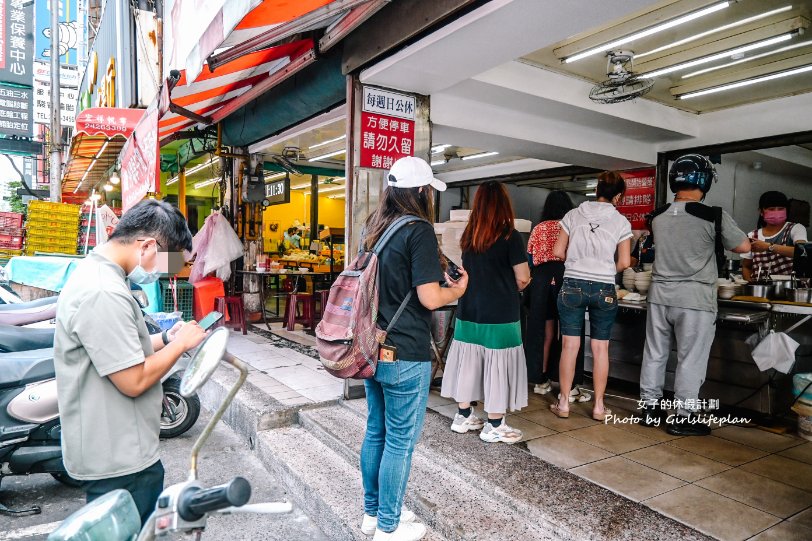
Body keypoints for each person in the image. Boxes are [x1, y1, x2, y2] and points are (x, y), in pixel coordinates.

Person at [53, 200, 207, 526]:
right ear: (148, 245)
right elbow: (133, 379)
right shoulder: (103, 291)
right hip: (119, 457)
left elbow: (120, 350)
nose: (166, 271)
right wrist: (180, 345)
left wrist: (165, 339)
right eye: (169, 261)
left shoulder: (101, 274)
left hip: (116, 447)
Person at [359, 157, 467, 541]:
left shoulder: (373, 227)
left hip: (372, 347)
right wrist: (457, 290)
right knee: (400, 441)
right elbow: (430, 298)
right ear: (422, 192)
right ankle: (389, 527)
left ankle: (373, 515)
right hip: (405, 351)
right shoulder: (418, 230)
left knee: (376, 432)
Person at [638, 155, 750, 436]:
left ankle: (650, 410)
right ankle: (683, 417)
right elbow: (743, 246)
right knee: (690, 359)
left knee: (654, 354)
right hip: (694, 299)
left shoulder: (658, 216)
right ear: (705, 180)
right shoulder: (713, 214)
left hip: (659, 295)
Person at [441, 181, 531, 444]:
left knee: (468, 362)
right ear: (504, 204)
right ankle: (494, 424)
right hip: (500, 312)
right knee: (498, 366)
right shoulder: (510, 236)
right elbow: (523, 278)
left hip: (468, 309)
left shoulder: (470, 235)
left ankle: (463, 415)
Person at [550, 172, 632, 422]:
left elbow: (557, 250)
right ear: (618, 196)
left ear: (597, 190)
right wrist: (603, 269)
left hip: (572, 284)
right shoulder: (621, 222)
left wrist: (578, 263)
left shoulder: (573, 215)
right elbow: (625, 262)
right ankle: (598, 406)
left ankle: (564, 403)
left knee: (570, 345)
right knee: (600, 348)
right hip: (604, 289)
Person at [525, 190, 593, 402]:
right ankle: (570, 386)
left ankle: (540, 380)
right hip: (567, 278)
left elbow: (529, 258)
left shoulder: (539, 228)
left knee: (544, 332)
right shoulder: (572, 227)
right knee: (569, 334)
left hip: (540, 281)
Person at [741, 191, 807, 281]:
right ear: (761, 211)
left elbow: (802, 251)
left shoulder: (796, 228)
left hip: (788, 288)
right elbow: (746, 266)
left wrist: (769, 247)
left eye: (780, 208)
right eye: (771, 209)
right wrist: (752, 285)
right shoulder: (752, 236)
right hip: (761, 290)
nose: (776, 212)